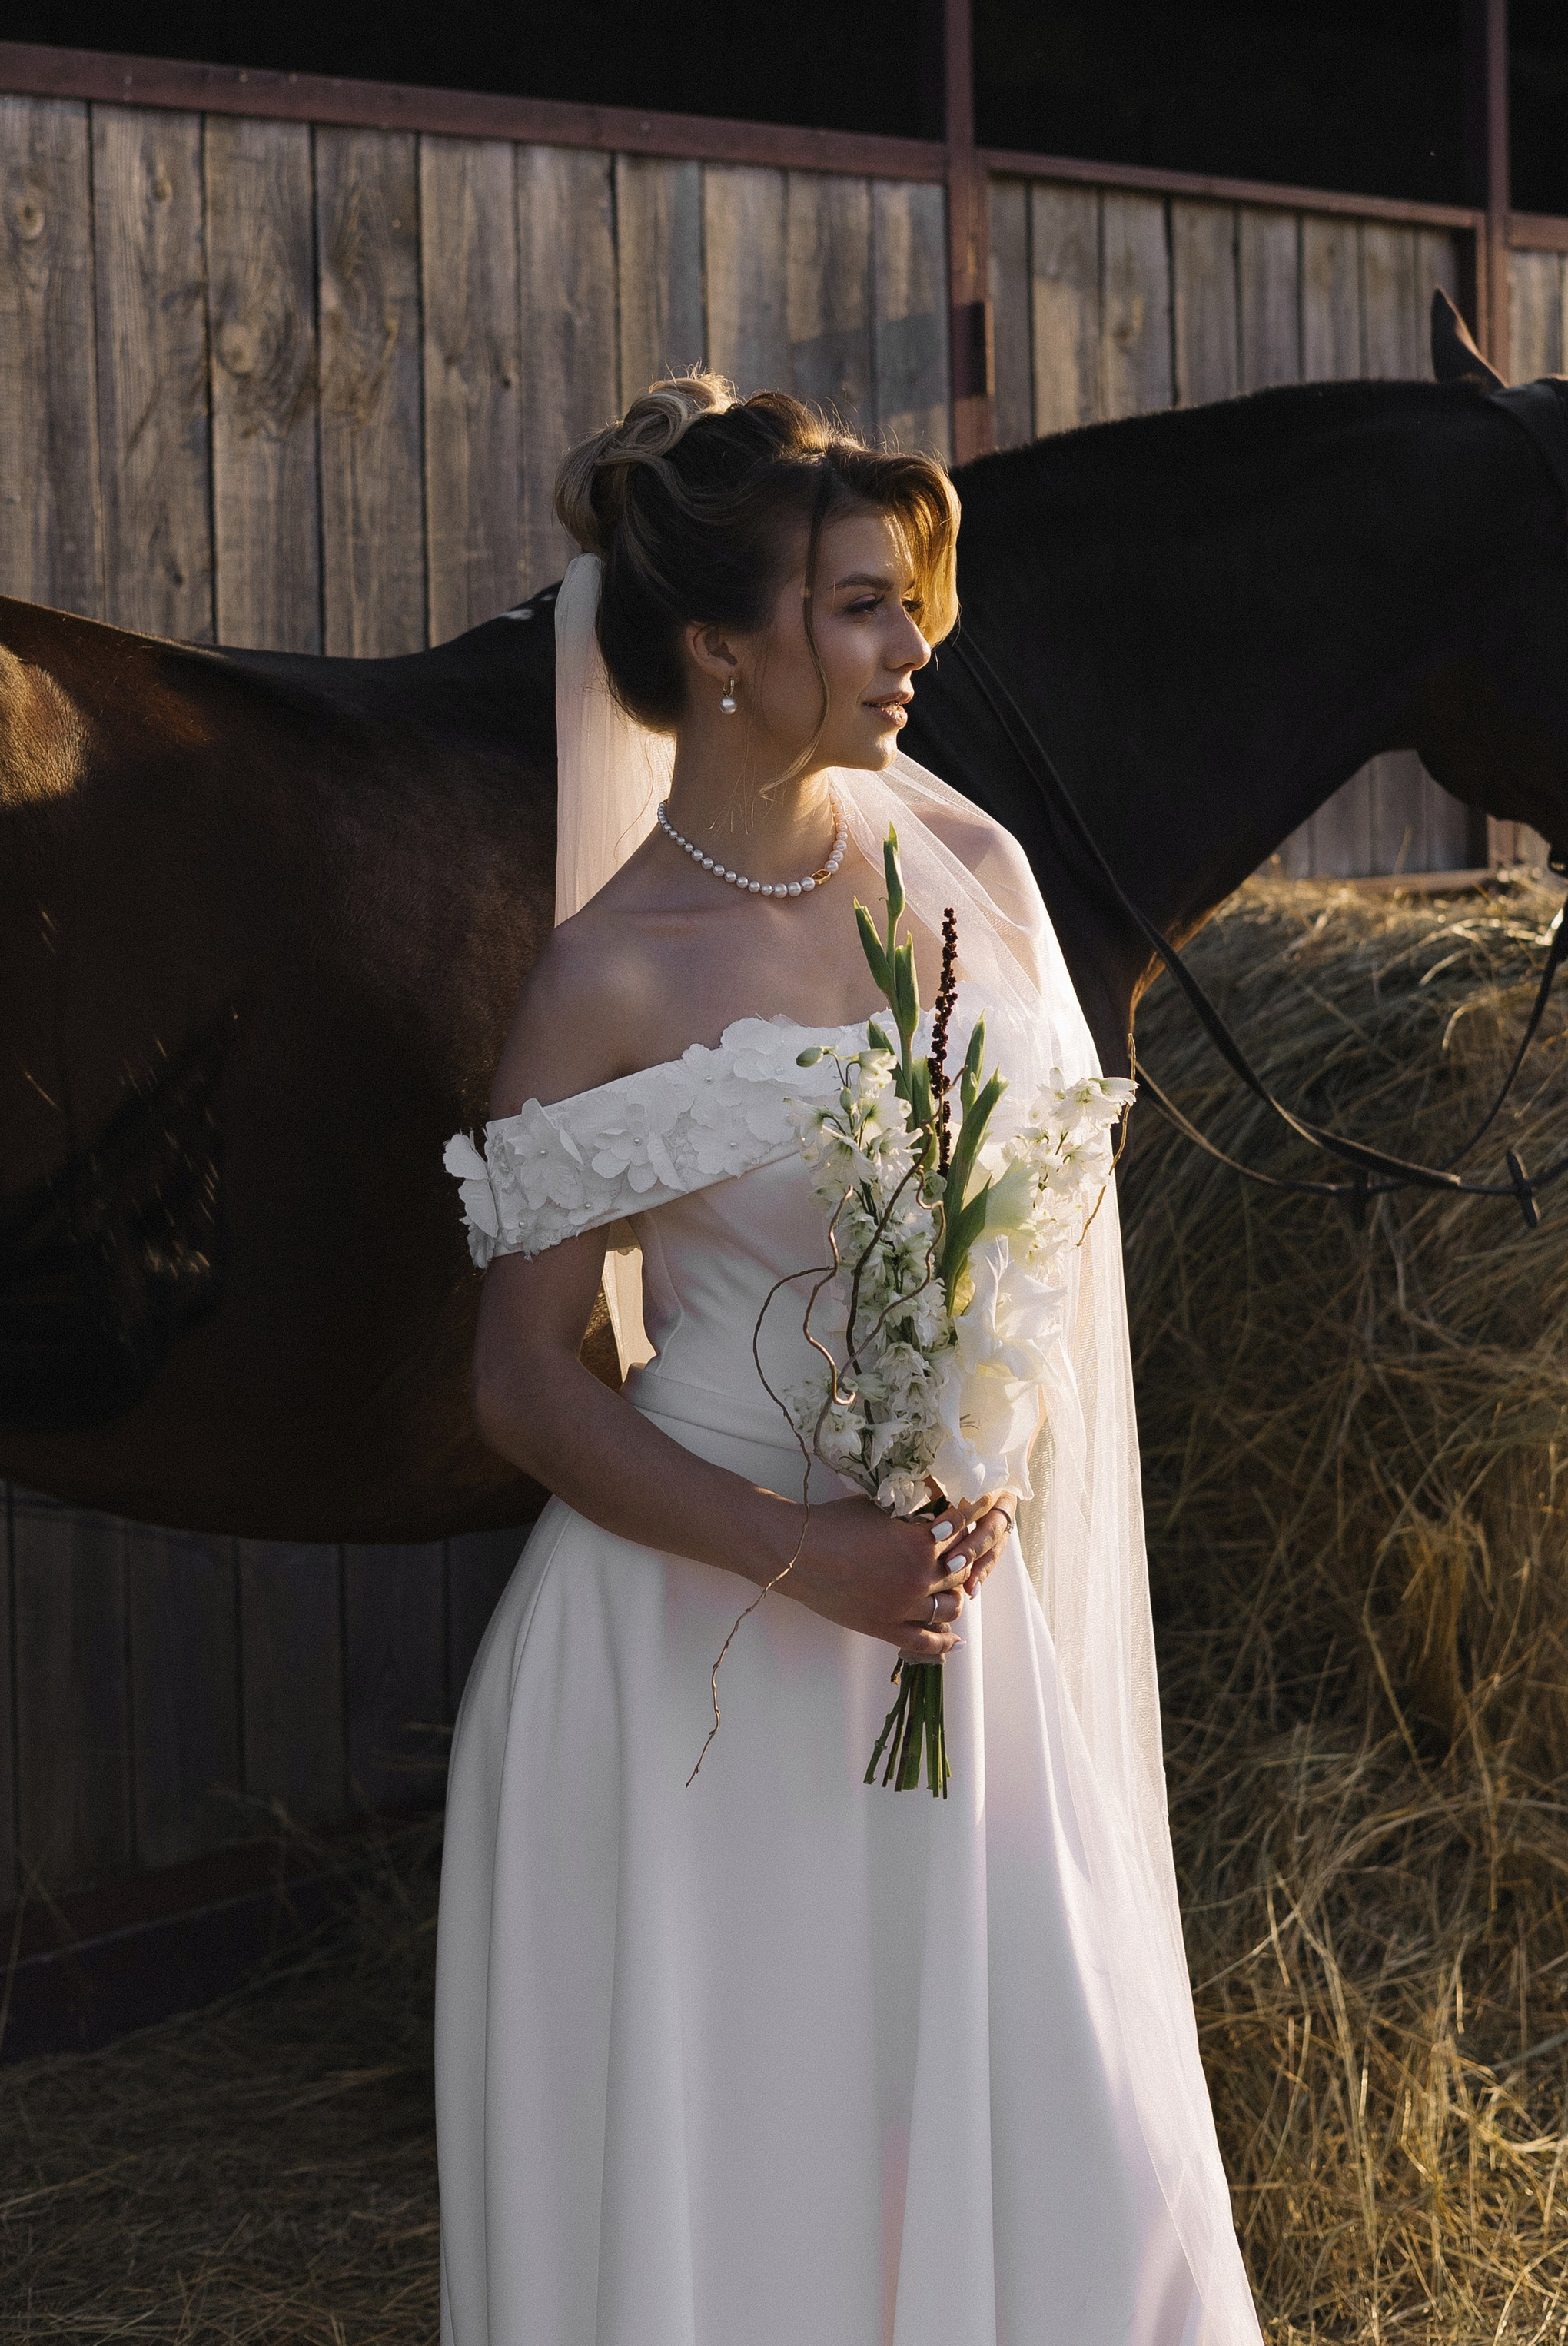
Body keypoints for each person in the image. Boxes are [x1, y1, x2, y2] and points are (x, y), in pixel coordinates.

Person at [435, 374, 1261, 2346]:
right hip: (684, 1679)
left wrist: (973, 1429)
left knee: (1088, 2167)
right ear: (719, 653)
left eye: (909, 603)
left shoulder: (956, 869)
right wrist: (811, 1553)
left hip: (951, 1640)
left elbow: (1037, 1210)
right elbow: (524, 1378)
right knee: (745, 2201)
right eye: (860, 609)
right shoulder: (608, 977)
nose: (917, 648)